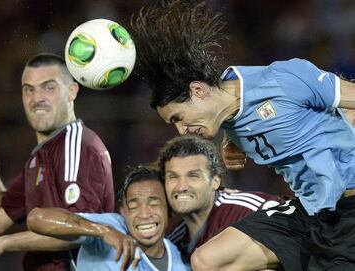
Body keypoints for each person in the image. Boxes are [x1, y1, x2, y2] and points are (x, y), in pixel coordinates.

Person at [130, 1, 355, 270]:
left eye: (179, 118)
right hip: (309, 213)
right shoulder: (228, 117)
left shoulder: (284, 80)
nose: (181, 130)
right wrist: (231, 142)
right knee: (208, 261)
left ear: (198, 91)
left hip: (349, 210)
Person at [0, 53, 115, 270]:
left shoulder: (76, 144)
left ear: (72, 91)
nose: (37, 98)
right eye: (29, 89)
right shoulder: (41, 157)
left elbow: (80, 230)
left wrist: (4, 243)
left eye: (48, 87)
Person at [27, 165, 190, 271]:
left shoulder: (181, 263)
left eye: (154, 203)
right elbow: (37, 218)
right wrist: (101, 231)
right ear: (123, 212)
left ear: (169, 209)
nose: (144, 214)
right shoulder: (112, 227)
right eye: (133, 206)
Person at [158, 135, 281, 262]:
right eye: (173, 177)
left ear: (215, 181)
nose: (181, 187)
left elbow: (295, 239)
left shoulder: (249, 211)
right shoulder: (174, 245)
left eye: (193, 176)